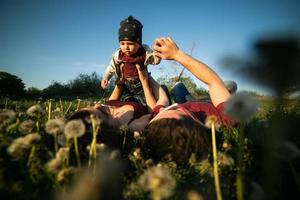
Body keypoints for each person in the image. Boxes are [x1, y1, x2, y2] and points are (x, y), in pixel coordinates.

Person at [136, 37, 235, 164]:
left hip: (187, 100)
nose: (170, 107)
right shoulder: (223, 119)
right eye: (176, 109)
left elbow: (163, 99)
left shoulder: (159, 122)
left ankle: (187, 99)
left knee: (178, 86)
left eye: (167, 109)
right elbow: (213, 82)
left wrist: (145, 78)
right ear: (195, 124)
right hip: (209, 101)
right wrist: (177, 54)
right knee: (230, 85)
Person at [101, 16, 161, 105]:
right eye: (122, 43)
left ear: (139, 44)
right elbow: (111, 67)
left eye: (130, 44)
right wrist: (106, 77)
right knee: (119, 103)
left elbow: (154, 60)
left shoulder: (144, 52)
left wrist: (158, 53)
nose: (126, 47)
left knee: (146, 103)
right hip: (125, 84)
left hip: (141, 84)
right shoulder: (119, 55)